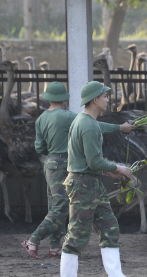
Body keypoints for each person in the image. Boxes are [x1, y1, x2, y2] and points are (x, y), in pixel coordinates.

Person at [21, 82, 135, 259]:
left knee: (55, 206)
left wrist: (52, 150)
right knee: (60, 209)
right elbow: (95, 126)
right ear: (64, 98)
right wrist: (120, 128)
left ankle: (54, 246)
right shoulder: (68, 116)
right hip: (66, 164)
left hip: (49, 163)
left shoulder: (41, 118)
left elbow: (39, 147)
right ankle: (33, 240)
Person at [59, 81, 136, 277]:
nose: (108, 99)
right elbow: (94, 162)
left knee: (109, 226)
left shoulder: (84, 121)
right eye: (105, 96)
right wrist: (118, 168)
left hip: (91, 182)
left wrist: (107, 170)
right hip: (84, 184)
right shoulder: (88, 124)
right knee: (77, 232)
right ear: (95, 100)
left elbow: (92, 162)